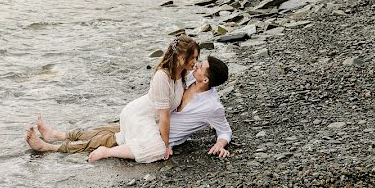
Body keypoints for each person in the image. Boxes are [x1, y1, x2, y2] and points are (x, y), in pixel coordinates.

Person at [26, 51, 232, 160]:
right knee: (105, 128)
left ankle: (49, 147)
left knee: (106, 139)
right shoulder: (187, 80)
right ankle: (58, 134)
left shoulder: (212, 106)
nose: (196, 65)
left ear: (206, 80)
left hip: (153, 136)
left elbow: (225, 131)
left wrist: (220, 144)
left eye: (201, 66)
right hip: (147, 122)